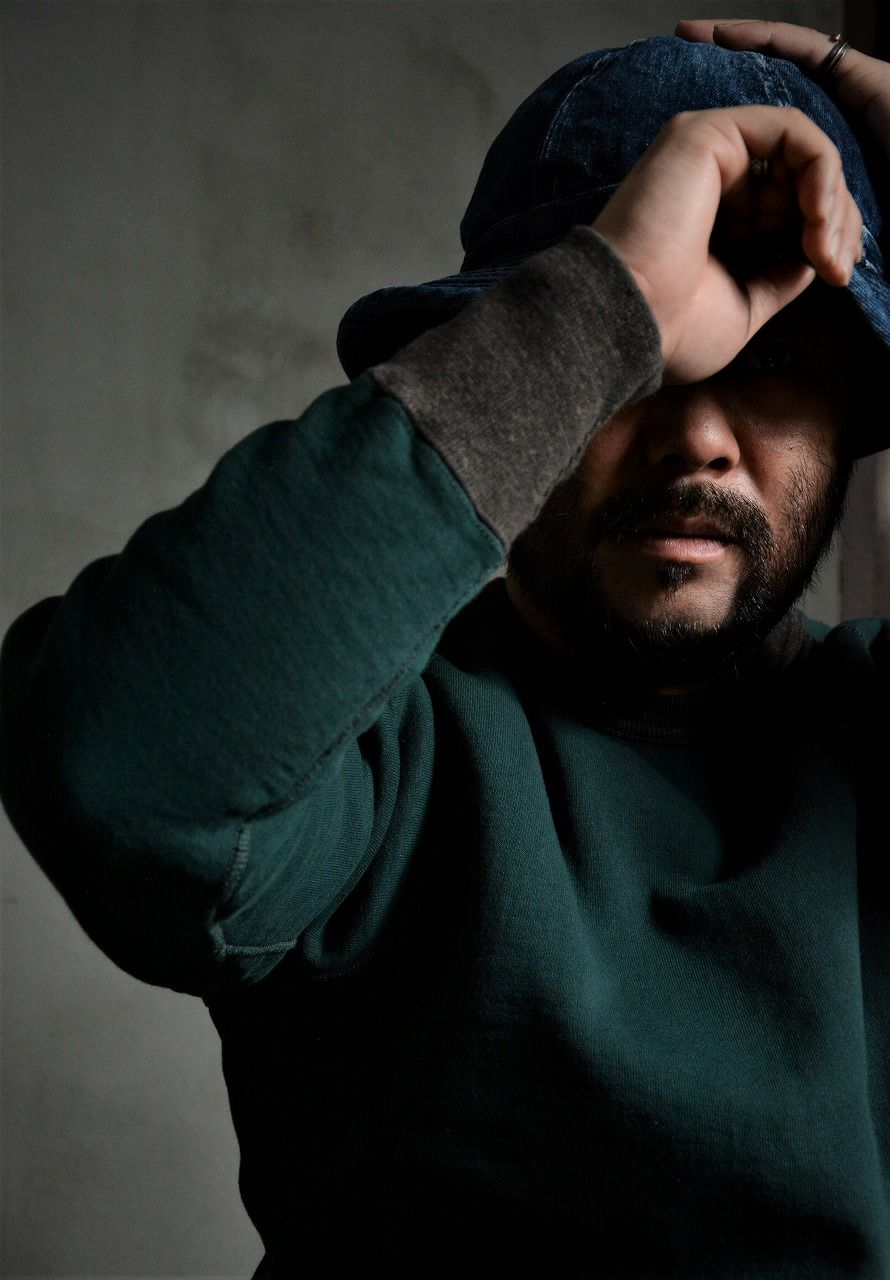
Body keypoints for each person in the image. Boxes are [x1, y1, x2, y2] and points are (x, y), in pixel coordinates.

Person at [2, 16, 889, 1277]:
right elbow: (121, 771)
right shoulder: (378, 753)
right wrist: (604, 307)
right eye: (642, 364)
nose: (697, 433)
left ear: (851, 412)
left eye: (774, 359)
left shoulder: (861, 725)